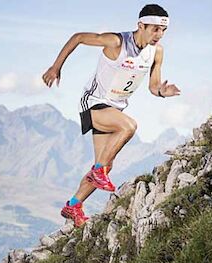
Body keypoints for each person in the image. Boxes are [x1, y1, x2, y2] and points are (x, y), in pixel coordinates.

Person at [42, 4, 181, 228]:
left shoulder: (157, 52)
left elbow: (153, 86)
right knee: (129, 127)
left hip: (114, 109)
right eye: (154, 29)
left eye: (163, 30)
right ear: (141, 25)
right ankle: (98, 172)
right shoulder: (116, 42)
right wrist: (55, 67)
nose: (159, 35)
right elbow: (77, 37)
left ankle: (73, 204)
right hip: (94, 103)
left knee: (106, 165)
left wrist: (163, 92)